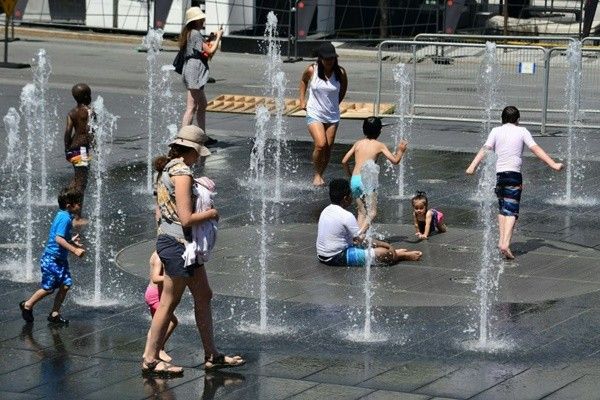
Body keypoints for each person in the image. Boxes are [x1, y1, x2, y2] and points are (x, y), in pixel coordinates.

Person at [142, 125, 244, 378]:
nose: (200, 157)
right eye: (199, 152)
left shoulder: (166, 168)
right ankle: (150, 358)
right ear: (192, 150)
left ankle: (212, 354)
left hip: (177, 243)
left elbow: (159, 211)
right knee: (168, 303)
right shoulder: (182, 173)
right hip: (178, 245)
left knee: (204, 295)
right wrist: (212, 213)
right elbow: (187, 219)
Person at [466, 105, 563, 259]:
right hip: (514, 175)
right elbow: (536, 149)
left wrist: (472, 166)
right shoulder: (522, 131)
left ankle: (501, 241)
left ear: (502, 119)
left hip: (499, 176)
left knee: (503, 208)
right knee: (512, 210)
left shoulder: (495, 131)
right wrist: (553, 164)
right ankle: (505, 243)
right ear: (518, 120)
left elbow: (485, 149)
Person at [316, 178, 422, 267]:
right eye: (351, 195)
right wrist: (386, 244)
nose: (352, 197)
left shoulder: (326, 210)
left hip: (322, 255)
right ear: (345, 198)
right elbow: (361, 240)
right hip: (337, 257)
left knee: (374, 247)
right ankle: (399, 256)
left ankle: (395, 253)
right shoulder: (346, 215)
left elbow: (354, 239)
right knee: (385, 254)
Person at [19, 188, 85, 324]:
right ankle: (27, 304)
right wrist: (75, 250)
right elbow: (58, 239)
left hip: (59, 259)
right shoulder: (65, 218)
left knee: (66, 285)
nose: (80, 205)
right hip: (51, 259)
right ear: (69, 205)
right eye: (78, 203)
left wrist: (72, 239)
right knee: (48, 288)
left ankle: (54, 313)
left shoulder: (65, 215)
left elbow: (62, 237)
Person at [341, 116, 407, 227]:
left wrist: (349, 174)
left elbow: (344, 161)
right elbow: (395, 161)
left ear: (363, 129)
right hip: (367, 180)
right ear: (380, 131)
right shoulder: (379, 145)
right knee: (372, 213)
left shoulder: (358, 143)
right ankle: (360, 235)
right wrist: (400, 151)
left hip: (355, 180)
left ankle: (358, 237)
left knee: (361, 212)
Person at [299, 42, 348, 186]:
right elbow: (303, 82)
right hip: (315, 113)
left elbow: (343, 89)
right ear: (320, 58)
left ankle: (321, 174)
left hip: (332, 115)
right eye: (326, 59)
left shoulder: (341, 73)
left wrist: (336, 103)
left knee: (328, 148)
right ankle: (317, 174)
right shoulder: (311, 70)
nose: (329, 62)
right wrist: (302, 100)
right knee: (321, 144)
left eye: (332, 59)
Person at [179, 6, 222, 146]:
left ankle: (196, 136)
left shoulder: (190, 33)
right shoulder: (195, 33)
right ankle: (185, 137)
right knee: (195, 106)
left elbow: (201, 49)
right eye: (201, 18)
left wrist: (210, 38)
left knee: (196, 105)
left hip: (191, 69)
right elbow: (209, 51)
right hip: (194, 71)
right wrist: (218, 38)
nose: (203, 20)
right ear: (196, 21)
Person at [64, 83, 95, 211]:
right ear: (87, 96)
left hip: (72, 148)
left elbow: (67, 132)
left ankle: (66, 199)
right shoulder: (89, 112)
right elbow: (91, 131)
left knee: (77, 178)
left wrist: (67, 148)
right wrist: (95, 146)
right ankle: (77, 213)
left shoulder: (71, 113)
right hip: (82, 150)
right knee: (82, 182)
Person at [144, 251, 178, 364]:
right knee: (172, 321)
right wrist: (173, 277)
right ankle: (158, 349)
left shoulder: (159, 254)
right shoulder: (158, 256)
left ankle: (149, 351)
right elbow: (155, 278)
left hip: (155, 293)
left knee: (156, 324)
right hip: (155, 295)